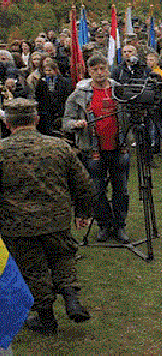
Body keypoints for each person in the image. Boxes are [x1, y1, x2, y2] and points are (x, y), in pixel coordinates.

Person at [0, 99, 93, 334]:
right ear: (36, 120)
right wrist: (83, 212)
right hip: (57, 218)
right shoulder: (59, 147)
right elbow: (83, 183)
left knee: (34, 268)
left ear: (7, 122)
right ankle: (71, 298)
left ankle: (46, 317)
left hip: (17, 223)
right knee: (63, 257)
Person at [63, 55, 132, 244]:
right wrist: (76, 123)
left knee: (122, 189)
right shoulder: (79, 94)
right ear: (89, 71)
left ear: (108, 69)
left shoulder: (119, 90)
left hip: (120, 148)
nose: (99, 73)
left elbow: (134, 115)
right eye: (95, 70)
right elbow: (65, 122)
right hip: (93, 150)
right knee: (97, 189)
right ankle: (104, 224)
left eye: (103, 69)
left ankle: (119, 226)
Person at [34, 59, 71, 136]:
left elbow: (66, 94)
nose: (48, 72)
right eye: (46, 70)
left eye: (50, 70)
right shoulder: (41, 81)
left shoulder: (63, 81)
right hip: (46, 110)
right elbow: (38, 94)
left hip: (59, 108)